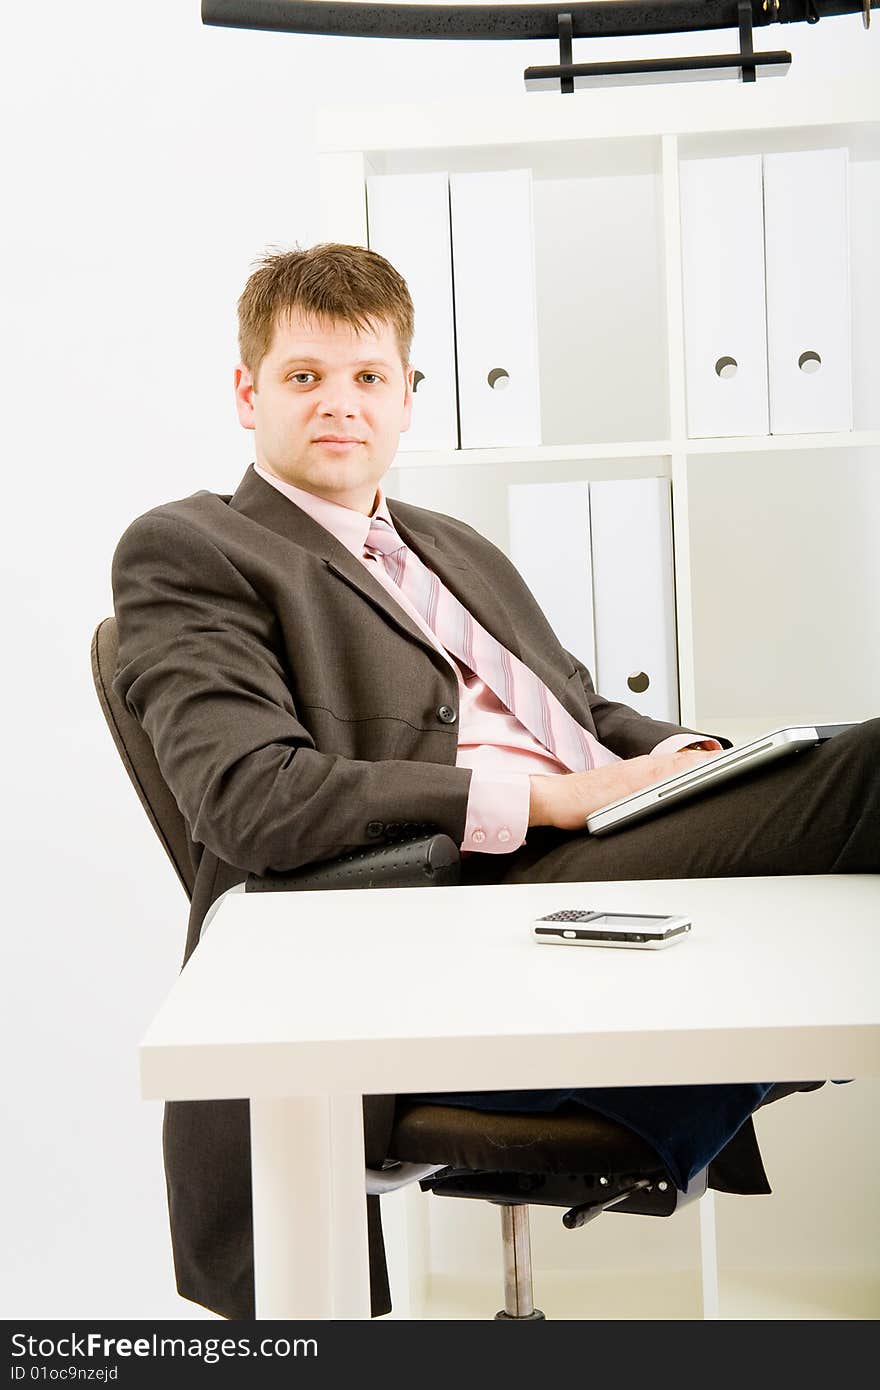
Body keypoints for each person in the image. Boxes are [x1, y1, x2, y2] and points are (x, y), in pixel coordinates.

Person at [111, 243, 878, 1320]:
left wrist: (696, 760)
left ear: (409, 397)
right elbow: (252, 798)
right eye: (304, 376)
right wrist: (534, 802)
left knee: (831, 761)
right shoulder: (195, 547)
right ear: (248, 392)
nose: (341, 404)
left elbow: (582, 713)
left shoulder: (451, 545)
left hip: (596, 841)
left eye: (370, 377)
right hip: (453, 904)